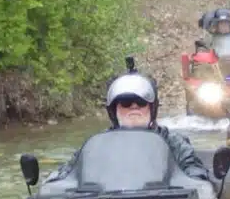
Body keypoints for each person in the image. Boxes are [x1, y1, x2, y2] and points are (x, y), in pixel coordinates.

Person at [46, 67, 212, 184]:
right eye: (126, 102)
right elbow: (65, 176)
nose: (134, 107)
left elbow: (196, 175)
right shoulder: (97, 146)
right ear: (114, 111)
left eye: (140, 102)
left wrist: (192, 183)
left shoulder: (174, 143)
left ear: (151, 107)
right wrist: (53, 182)